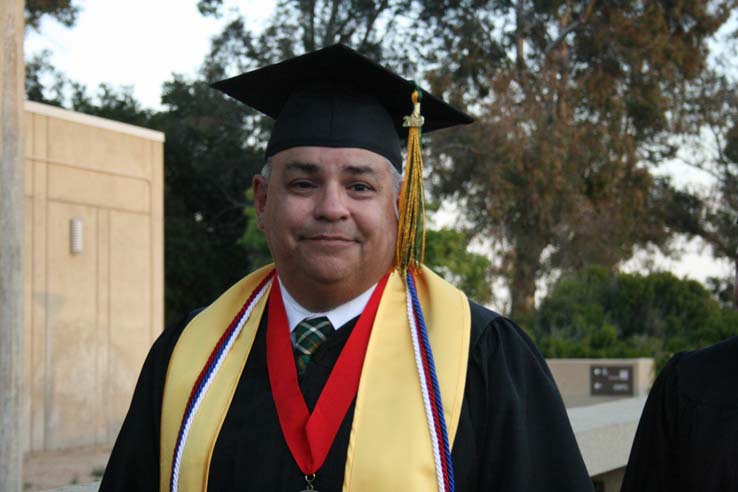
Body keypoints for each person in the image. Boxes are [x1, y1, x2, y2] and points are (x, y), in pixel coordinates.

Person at [100, 44, 593, 492]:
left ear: (400, 205)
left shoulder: (481, 356)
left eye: (360, 187)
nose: (332, 208)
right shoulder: (189, 355)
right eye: (303, 184)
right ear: (262, 200)